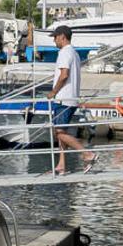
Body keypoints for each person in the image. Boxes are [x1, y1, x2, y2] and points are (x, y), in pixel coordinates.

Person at [46, 25, 96, 174]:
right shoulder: (74, 53)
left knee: (60, 133)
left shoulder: (64, 53)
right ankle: (61, 165)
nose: (54, 40)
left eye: (55, 37)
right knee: (62, 133)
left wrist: (53, 92)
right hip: (71, 98)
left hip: (63, 99)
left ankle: (88, 154)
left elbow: (64, 75)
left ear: (62, 37)